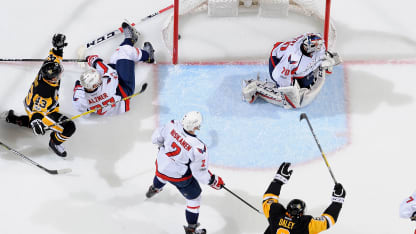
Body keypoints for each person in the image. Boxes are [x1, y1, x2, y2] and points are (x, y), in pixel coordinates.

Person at [145, 111, 225, 234]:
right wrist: (213, 181)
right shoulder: (198, 147)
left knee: (162, 174)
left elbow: (156, 138)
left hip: (161, 165)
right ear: (196, 126)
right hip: (179, 177)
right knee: (194, 198)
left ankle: (154, 189)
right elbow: (199, 173)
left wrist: (163, 147)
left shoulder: (172, 124)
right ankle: (191, 229)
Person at [1, 34, 75, 157]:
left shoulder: (46, 69)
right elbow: (38, 111)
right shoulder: (45, 92)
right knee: (69, 127)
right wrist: (36, 120)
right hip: (41, 110)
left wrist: (58, 48)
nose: (60, 76)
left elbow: (54, 57)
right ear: (52, 79)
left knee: (43, 125)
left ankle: (12, 118)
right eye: (58, 75)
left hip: (31, 103)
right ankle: (54, 142)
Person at [72, 22, 154, 116]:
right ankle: (148, 57)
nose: (100, 78)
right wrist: (94, 60)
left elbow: (83, 111)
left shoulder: (80, 98)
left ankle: (130, 39)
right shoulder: (108, 85)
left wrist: (78, 86)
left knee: (116, 57)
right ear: (94, 86)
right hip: (124, 90)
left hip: (114, 102)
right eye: (98, 80)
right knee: (125, 52)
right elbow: (108, 71)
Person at [242, 33, 342, 109]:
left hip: (290, 61)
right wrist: (288, 91)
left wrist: (328, 60)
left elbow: (320, 53)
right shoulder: (292, 59)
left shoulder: (316, 42)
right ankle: (256, 86)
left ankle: (296, 80)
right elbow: (279, 75)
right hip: (278, 63)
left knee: (307, 84)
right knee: (291, 102)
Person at [262, 162, 345, 234]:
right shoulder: (305, 225)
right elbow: (329, 220)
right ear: (302, 212)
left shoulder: (275, 214)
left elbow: (268, 198)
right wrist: (337, 202)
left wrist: (278, 181)